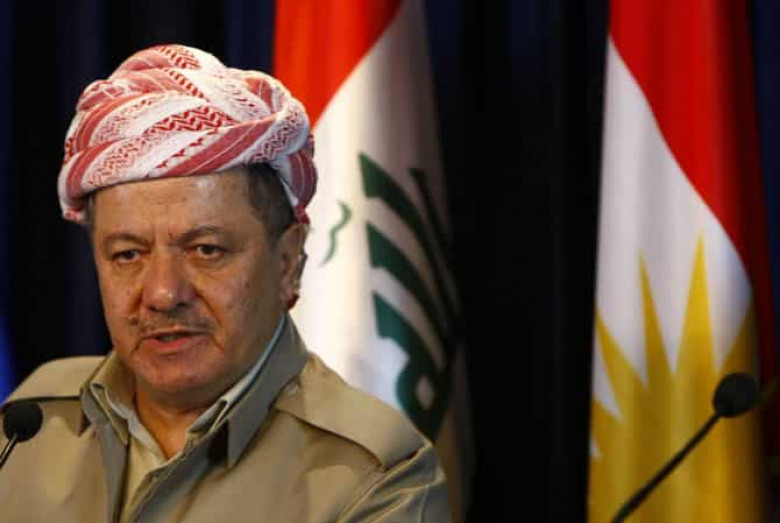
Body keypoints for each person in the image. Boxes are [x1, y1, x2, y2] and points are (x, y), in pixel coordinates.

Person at [0, 44, 449, 523]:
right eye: (128, 254)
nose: (163, 294)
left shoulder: (376, 476)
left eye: (205, 250)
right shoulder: (30, 426)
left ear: (287, 261)